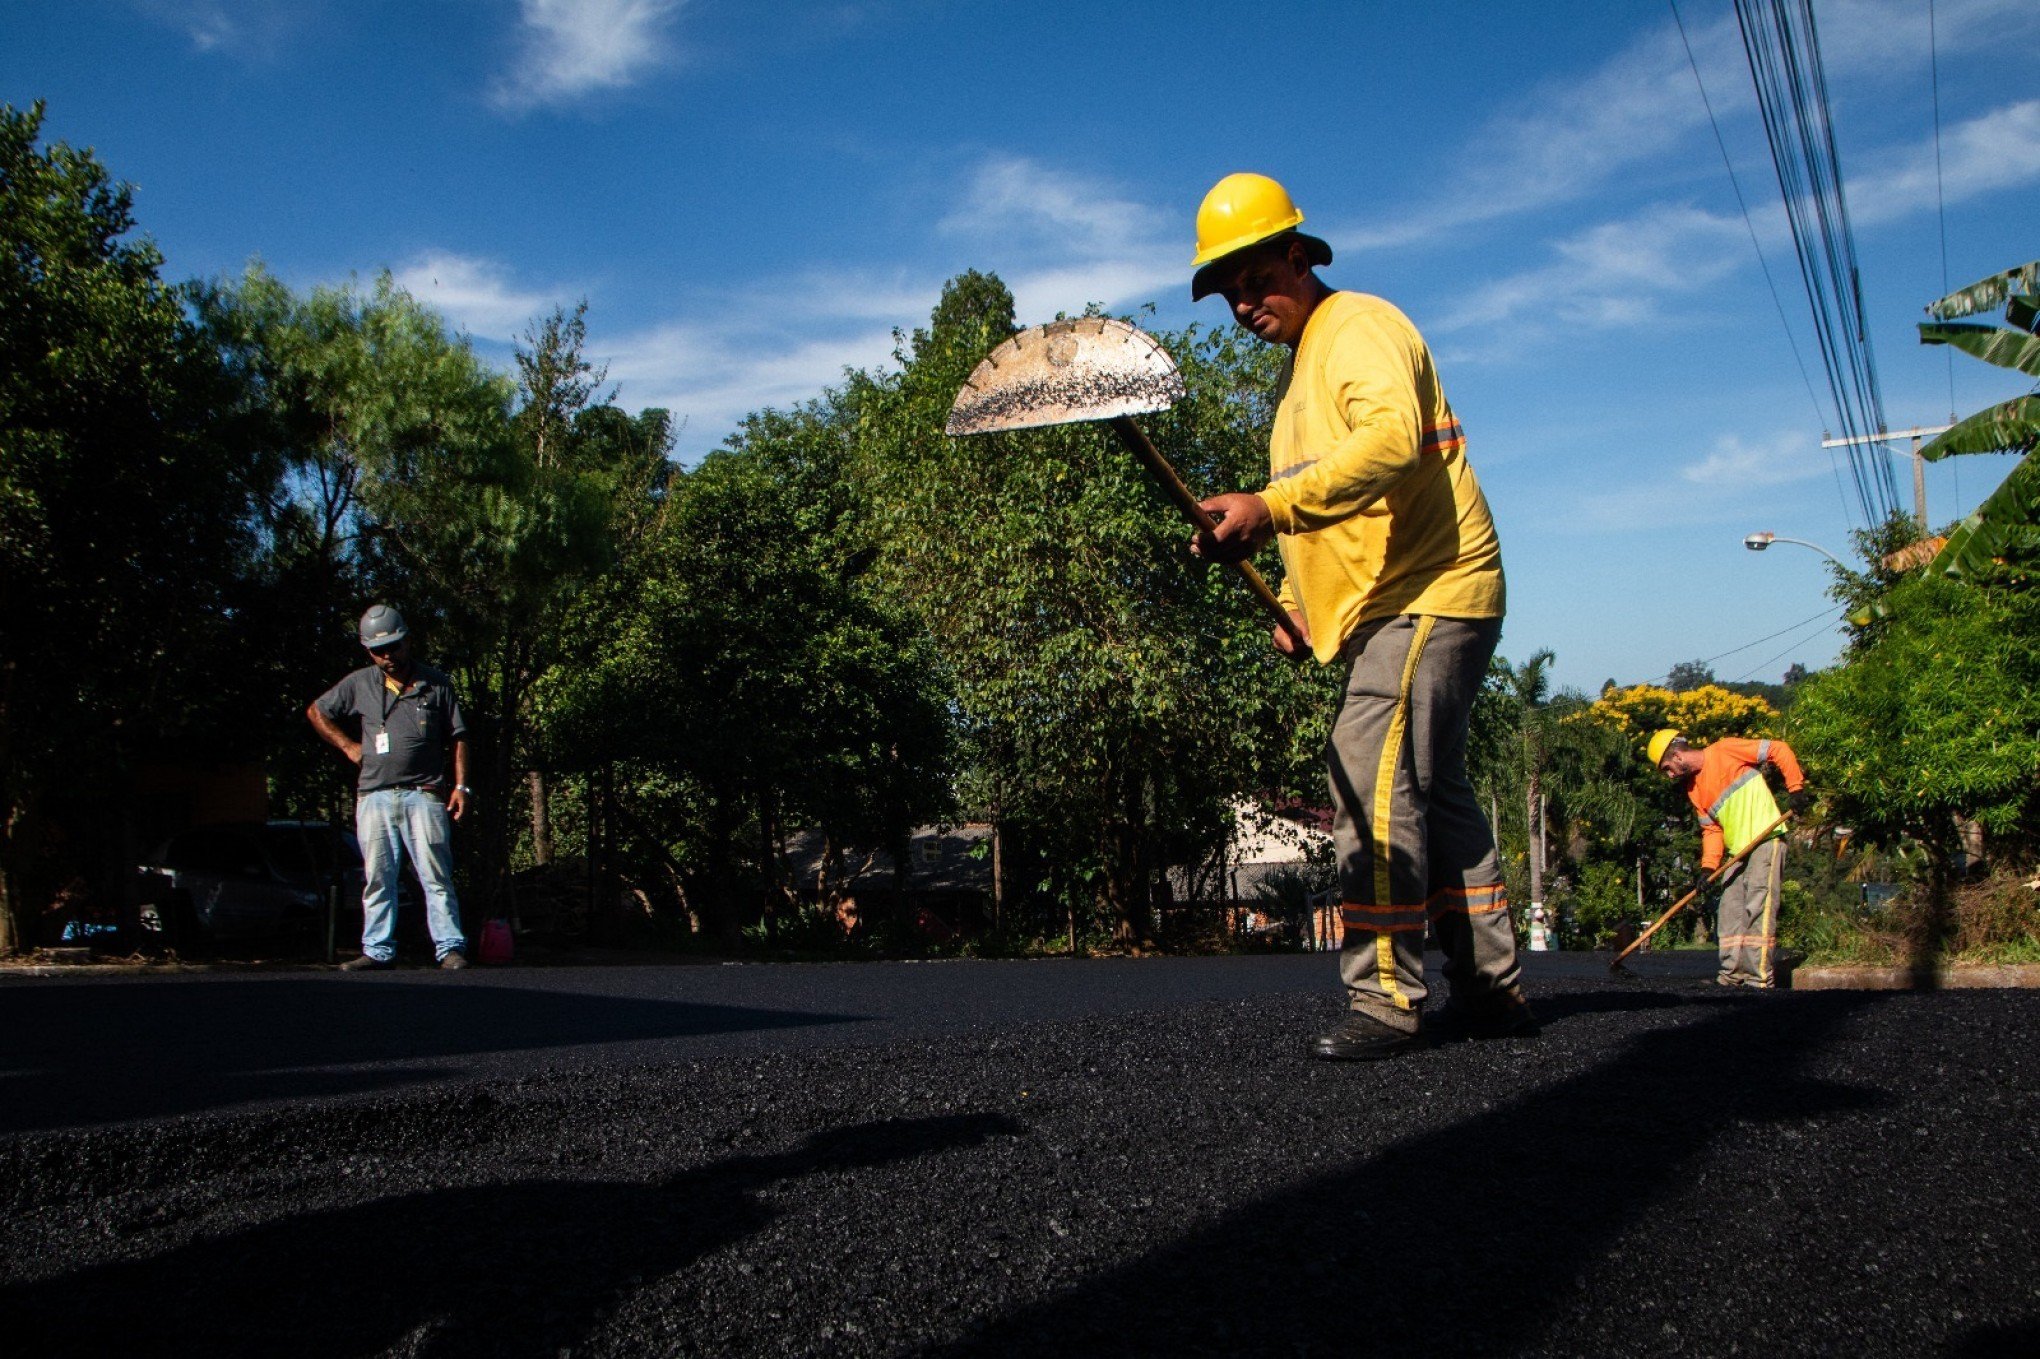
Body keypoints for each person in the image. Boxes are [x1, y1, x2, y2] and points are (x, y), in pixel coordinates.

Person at [1186, 172, 1532, 1060]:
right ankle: (1493, 987)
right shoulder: (1301, 380)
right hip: (1408, 597)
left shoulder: (1360, 328)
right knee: (1437, 787)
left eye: (1254, 277)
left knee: (1366, 768)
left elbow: (1390, 443)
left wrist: (1266, 508)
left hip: (1432, 588)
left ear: (1299, 255)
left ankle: (1384, 993)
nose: (1241, 302)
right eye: (1226, 290)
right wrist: (1303, 604)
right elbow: (1346, 517)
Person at [307, 604, 473, 970]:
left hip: (424, 793)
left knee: (435, 874)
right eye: (378, 651)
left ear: (407, 641)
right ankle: (378, 949)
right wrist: (349, 746)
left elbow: (458, 736)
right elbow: (317, 711)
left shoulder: (437, 684)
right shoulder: (358, 683)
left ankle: (449, 947)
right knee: (377, 877)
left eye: (394, 647)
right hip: (374, 796)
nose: (388, 656)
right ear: (368, 651)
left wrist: (461, 786)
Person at [1647, 728, 1806, 988]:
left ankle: (1758, 979)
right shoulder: (1694, 790)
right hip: (1737, 853)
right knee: (1730, 911)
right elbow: (1712, 830)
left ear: (1677, 755)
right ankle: (1731, 976)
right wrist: (1708, 868)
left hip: (1766, 840)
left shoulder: (1725, 750)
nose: (1670, 775)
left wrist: (1796, 788)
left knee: (1758, 906)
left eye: (1667, 768)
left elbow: (1778, 748)